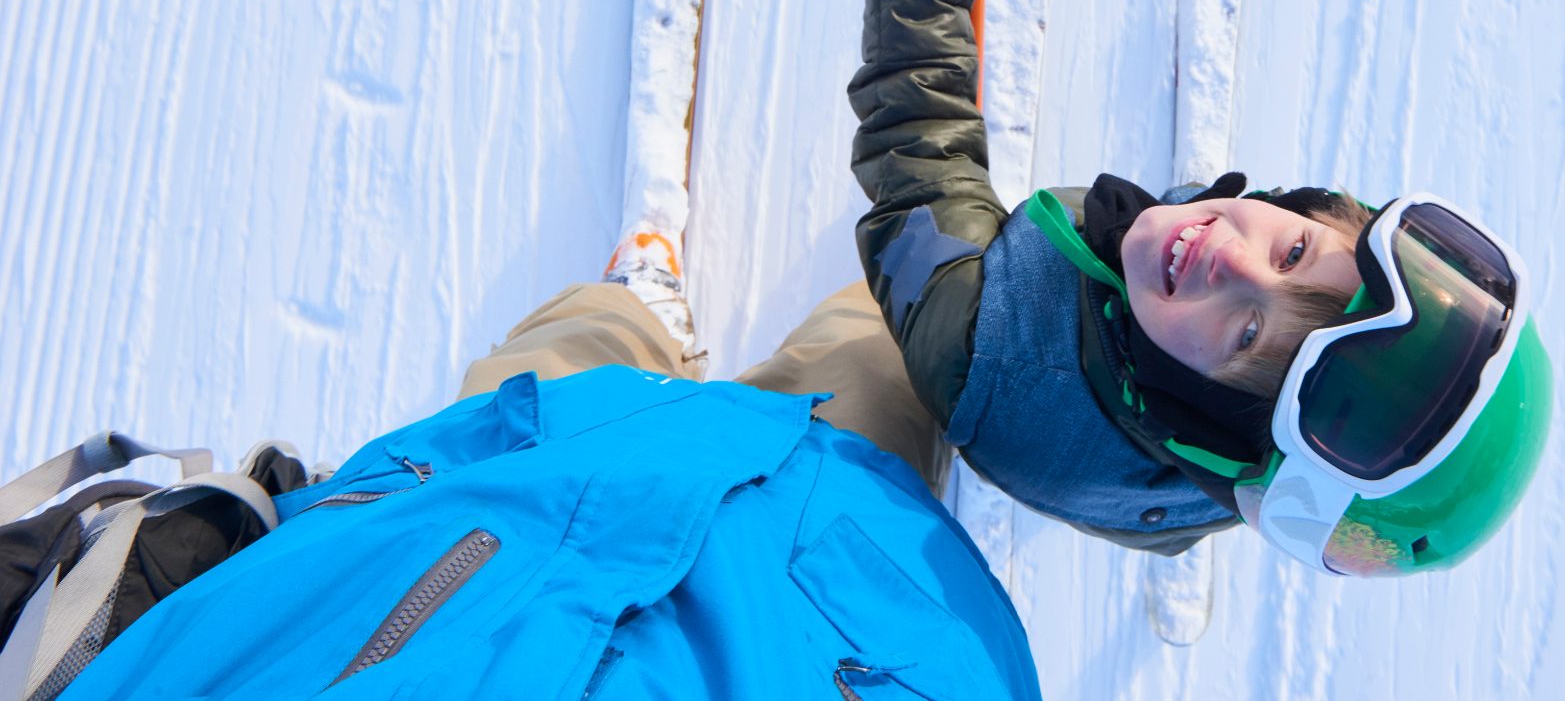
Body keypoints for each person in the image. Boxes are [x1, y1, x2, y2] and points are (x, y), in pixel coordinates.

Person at [849, 0, 1554, 576]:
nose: (1230, 256)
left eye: (1248, 332)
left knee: (902, 291)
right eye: (1293, 249)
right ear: (1319, 209)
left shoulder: (986, 346)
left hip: (1033, 386)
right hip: (1157, 450)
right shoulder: (1234, 440)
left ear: (1206, 423)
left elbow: (919, 149)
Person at [58, 245, 1038, 698]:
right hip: (821, 610)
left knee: (558, 373)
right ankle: (909, 294)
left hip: (478, 531)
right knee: (877, 374)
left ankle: (631, 299)